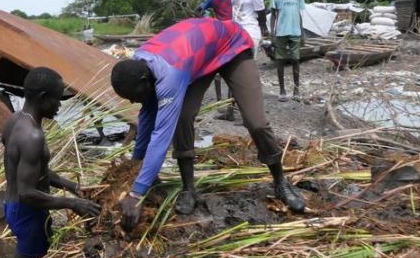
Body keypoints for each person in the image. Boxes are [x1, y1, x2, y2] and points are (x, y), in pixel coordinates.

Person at [109, 18, 305, 231]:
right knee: (183, 116)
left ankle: (280, 182)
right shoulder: (140, 63)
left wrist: (137, 193)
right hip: (201, 58)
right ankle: (189, 189)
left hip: (232, 46)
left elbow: (161, 137)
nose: (130, 102)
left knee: (255, 122)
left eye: (132, 96)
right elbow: (147, 111)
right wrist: (136, 163)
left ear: (144, 81)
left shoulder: (169, 76)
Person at [2, 67, 101, 258]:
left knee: (39, 250)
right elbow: (27, 193)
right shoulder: (33, 136)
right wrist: (72, 203)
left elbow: (34, 171)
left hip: (14, 206)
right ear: (43, 97)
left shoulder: (14, 120)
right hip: (27, 211)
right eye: (58, 98)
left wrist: (73, 187)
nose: (59, 105)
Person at [196, 0, 234, 110]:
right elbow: (199, 9)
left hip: (233, 37)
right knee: (217, 71)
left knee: (232, 71)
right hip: (219, 37)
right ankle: (220, 103)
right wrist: (206, 22)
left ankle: (231, 104)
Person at [270, 0, 306, 101]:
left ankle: (296, 90)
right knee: (280, 60)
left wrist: (303, 33)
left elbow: (299, 14)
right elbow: (273, 15)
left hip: (295, 31)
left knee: (296, 60)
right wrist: (272, 34)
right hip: (280, 32)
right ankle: (282, 90)